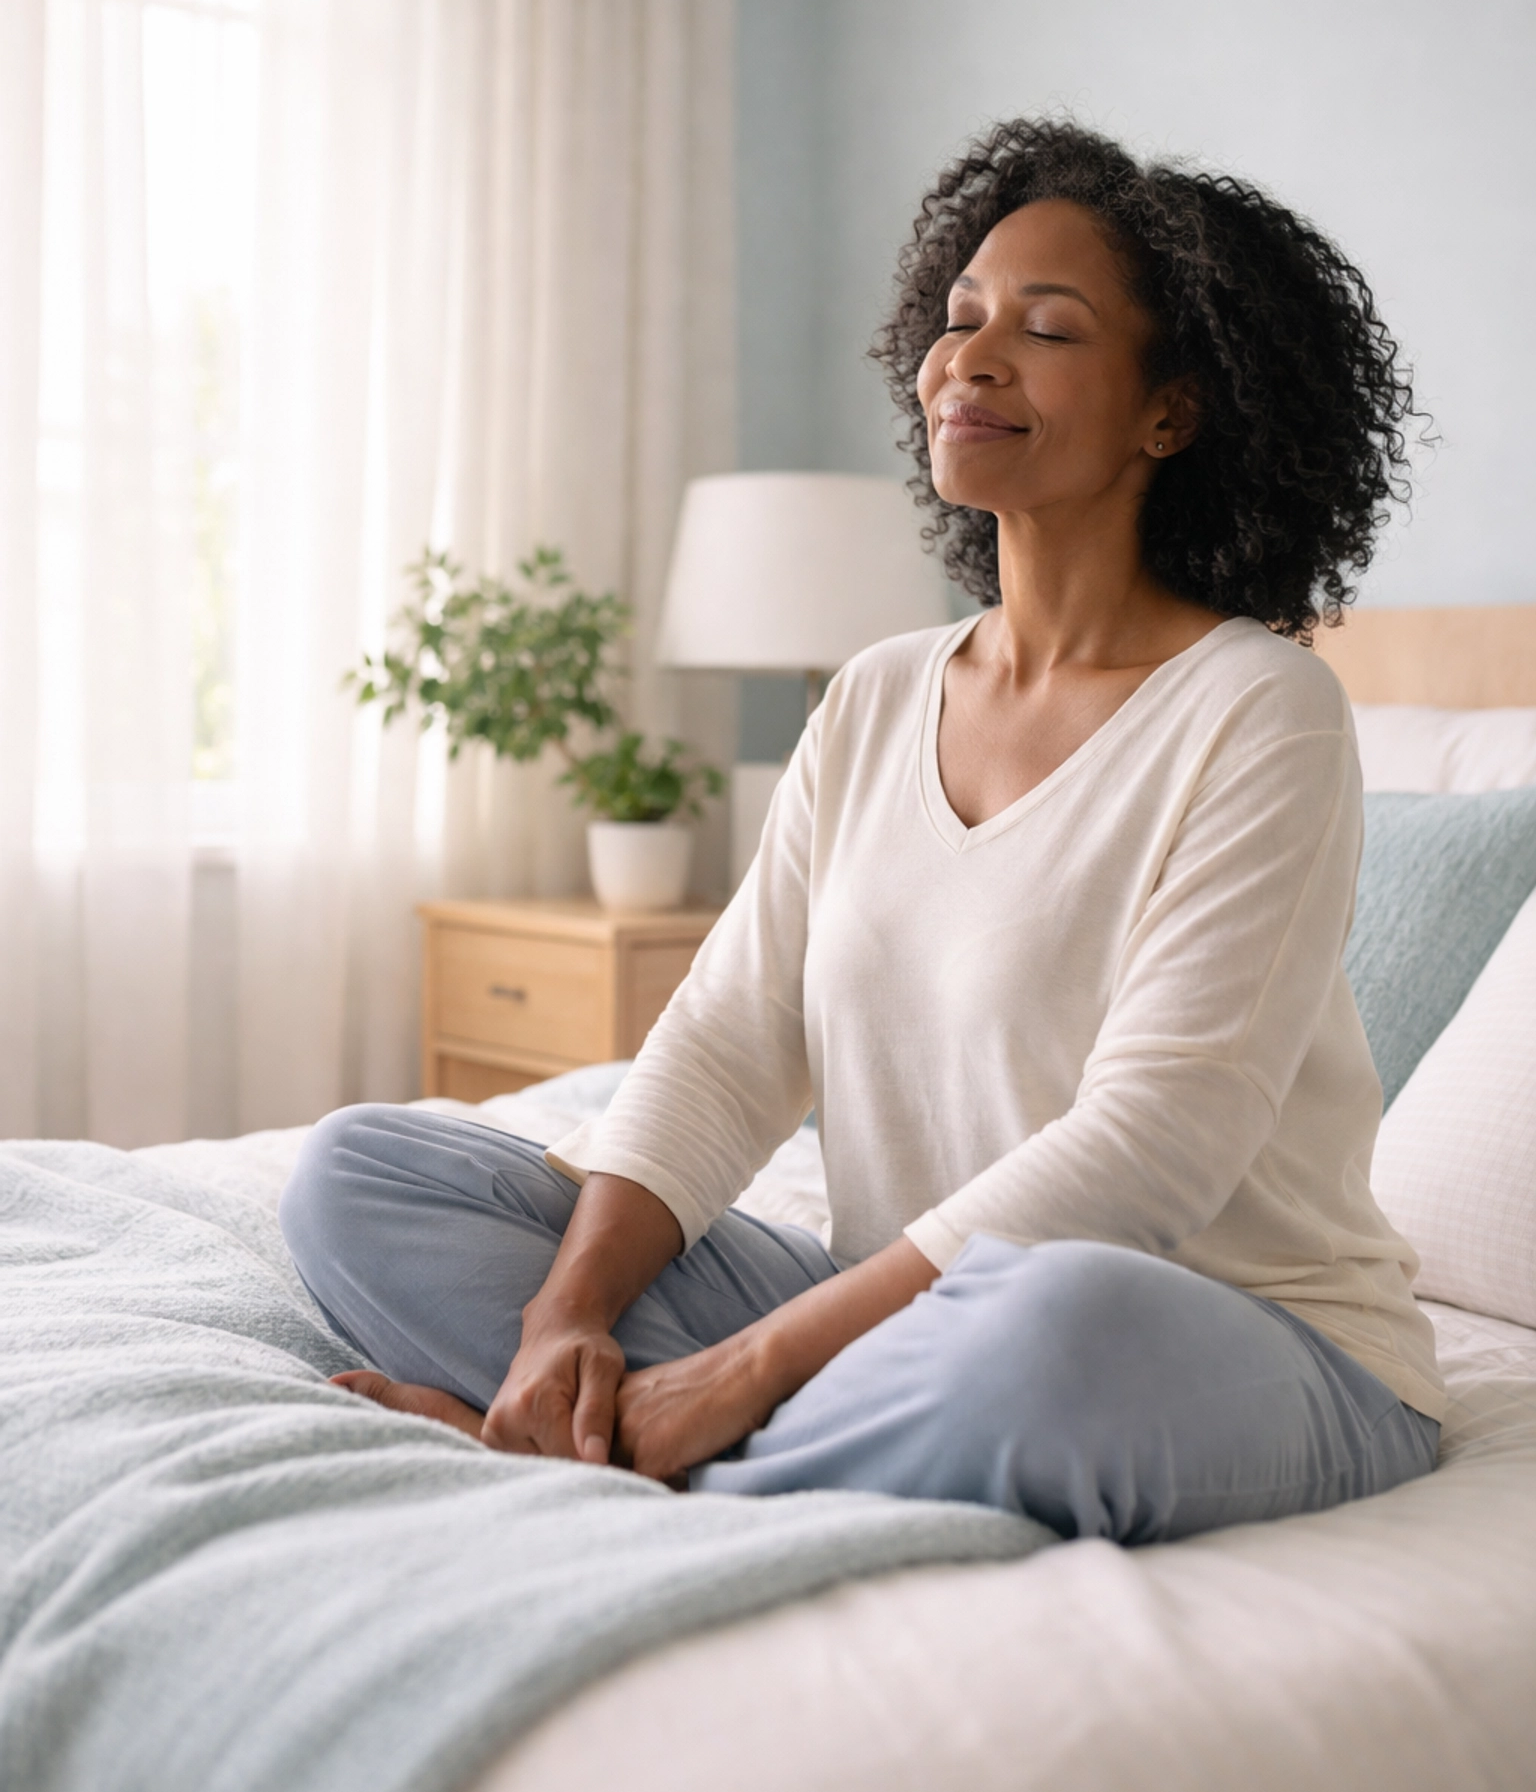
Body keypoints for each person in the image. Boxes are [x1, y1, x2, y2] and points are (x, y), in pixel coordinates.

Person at [280, 118, 1444, 1543]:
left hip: (1218, 1333)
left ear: (1172, 413)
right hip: (900, 1321)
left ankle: (613, 1457)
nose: (971, 357)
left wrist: (751, 1365)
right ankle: (629, 1427)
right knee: (364, 1174)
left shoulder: (1261, 711)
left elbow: (1152, 1148)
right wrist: (562, 1320)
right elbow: (723, 1044)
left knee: (1053, 1327)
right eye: (959, 320)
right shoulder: (881, 692)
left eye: (1046, 328)